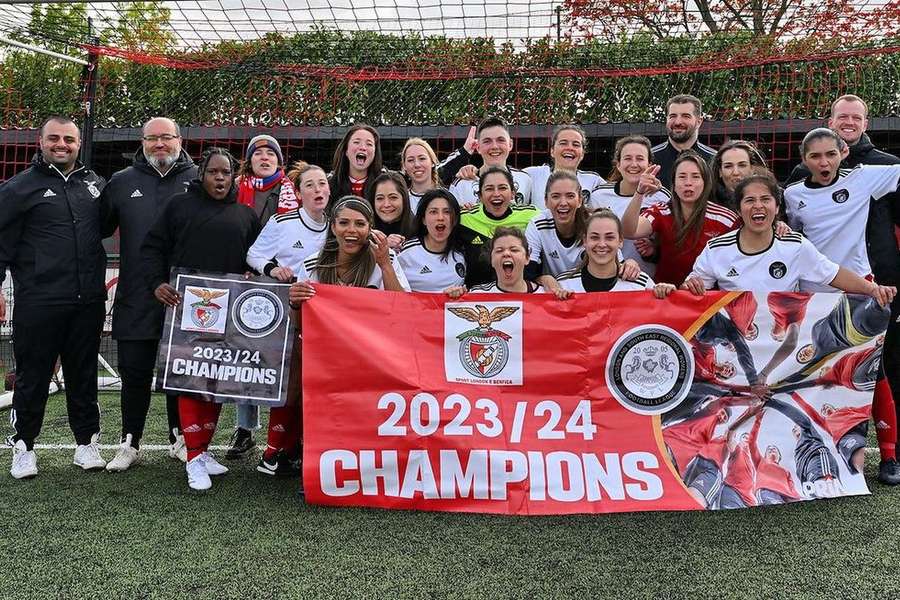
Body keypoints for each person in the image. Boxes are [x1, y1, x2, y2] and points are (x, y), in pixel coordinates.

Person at [141, 147, 261, 491]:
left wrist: (253, 277)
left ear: (234, 176)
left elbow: (256, 259)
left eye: (226, 173)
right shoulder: (178, 206)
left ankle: (204, 450)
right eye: (213, 172)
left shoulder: (246, 215)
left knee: (216, 379)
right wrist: (157, 283)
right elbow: (151, 248)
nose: (220, 178)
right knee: (191, 382)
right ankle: (193, 457)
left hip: (230, 314)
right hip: (187, 310)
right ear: (202, 175)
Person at [2, 116, 108, 480]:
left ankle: (85, 444)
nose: (61, 144)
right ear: (40, 141)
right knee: (33, 374)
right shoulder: (17, 188)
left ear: (78, 144)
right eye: (54, 139)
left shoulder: (95, 184)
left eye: (69, 139)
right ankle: (24, 447)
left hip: (88, 301)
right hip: (39, 301)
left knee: (83, 373)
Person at [788, 98, 900, 422]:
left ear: (865, 123)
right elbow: (794, 236)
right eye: (842, 116)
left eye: (856, 117)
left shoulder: (876, 170)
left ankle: (890, 454)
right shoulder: (795, 187)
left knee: (874, 367)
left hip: (871, 285)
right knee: (817, 367)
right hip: (815, 291)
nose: (823, 162)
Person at [100, 116, 196, 472]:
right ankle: (130, 442)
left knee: (180, 371)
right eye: (152, 138)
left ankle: (180, 439)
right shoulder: (121, 183)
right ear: (142, 142)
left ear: (179, 139)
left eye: (166, 138)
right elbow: (97, 228)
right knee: (134, 371)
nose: (160, 144)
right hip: (136, 294)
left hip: (185, 297)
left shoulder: (199, 180)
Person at [683, 172, 896, 301]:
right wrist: (682, 288)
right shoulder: (716, 249)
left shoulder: (795, 246)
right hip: (734, 344)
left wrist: (874, 289)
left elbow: (833, 274)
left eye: (766, 199)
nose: (758, 206)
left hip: (783, 343)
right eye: (749, 201)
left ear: (776, 208)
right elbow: (690, 289)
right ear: (738, 210)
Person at [227, 134, 301, 459]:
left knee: (284, 360)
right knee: (247, 357)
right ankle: (245, 429)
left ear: (279, 160)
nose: (265, 156)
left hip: (283, 282)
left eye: (271, 152)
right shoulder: (235, 189)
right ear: (249, 160)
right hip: (245, 280)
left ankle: (284, 432)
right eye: (258, 153)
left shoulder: (292, 190)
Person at [621, 152, 738, 286]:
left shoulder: (726, 220)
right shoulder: (660, 211)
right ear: (674, 184)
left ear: (705, 183)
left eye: (695, 177)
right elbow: (628, 231)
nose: (688, 183)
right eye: (682, 177)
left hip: (708, 300)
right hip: (666, 296)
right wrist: (639, 192)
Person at [590, 135, 672, 276]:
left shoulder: (662, 196)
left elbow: (669, 240)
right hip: (609, 280)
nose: (634, 164)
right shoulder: (599, 195)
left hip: (647, 283)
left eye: (640, 159)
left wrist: (654, 248)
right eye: (628, 158)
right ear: (618, 164)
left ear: (649, 165)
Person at [293, 196, 410, 291]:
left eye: (360, 224)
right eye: (343, 223)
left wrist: (385, 265)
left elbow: (402, 307)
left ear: (370, 229)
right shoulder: (313, 265)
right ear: (333, 227)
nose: (351, 230)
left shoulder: (386, 257)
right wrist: (295, 304)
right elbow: (299, 319)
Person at [555, 209, 673, 297]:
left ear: (620, 241)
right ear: (585, 241)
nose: (602, 244)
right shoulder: (564, 284)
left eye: (609, 237)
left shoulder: (641, 284)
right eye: (595, 237)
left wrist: (668, 293)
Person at [246, 161, 329, 281]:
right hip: (290, 292)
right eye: (309, 185)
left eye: (322, 183)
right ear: (298, 194)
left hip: (322, 295)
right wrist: (273, 269)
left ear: (329, 190)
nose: (317, 189)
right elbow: (253, 255)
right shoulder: (281, 223)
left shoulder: (336, 227)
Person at [458, 167, 538, 287]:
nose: (496, 194)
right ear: (480, 196)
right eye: (489, 189)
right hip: (476, 296)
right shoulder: (463, 218)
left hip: (520, 295)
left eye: (502, 188)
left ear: (513, 194)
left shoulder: (532, 215)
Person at [448, 116, 533, 206]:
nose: (494, 146)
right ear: (478, 147)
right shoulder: (461, 185)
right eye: (487, 141)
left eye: (500, 140)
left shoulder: (525, 179)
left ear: (510, 144)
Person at [397, 189, 468, 293]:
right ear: (423, 219)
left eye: (447, 212)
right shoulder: (405, 252)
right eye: (433, 212)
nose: (440, 218)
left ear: (455, 220)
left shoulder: (461, 252)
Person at [524, 124, 603, 209]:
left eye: (576, 144)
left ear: (582, 154)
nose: (570, 148)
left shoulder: (594, 181)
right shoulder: (531, 175)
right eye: (563, 143)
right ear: (552, 151)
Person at [652, 94, 716, 189]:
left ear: (699, 121)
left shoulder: (714, 160)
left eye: (686, 116)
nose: (678, 122)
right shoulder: (650, 159)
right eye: (672, 116)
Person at [400, 136, 473, 212]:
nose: (417, 165)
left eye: (422, 158)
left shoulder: (450, 198)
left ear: (432, 162)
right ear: (404, 166)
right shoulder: (401, 201)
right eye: (410, 160)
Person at [467, 227, 544, 294]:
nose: (506, 253)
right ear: (491, 260)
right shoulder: (476, 294)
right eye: (499, 250)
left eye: (514, 250)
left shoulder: (545, 294)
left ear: (527, 258)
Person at [328, 124, 383, 206]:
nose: (363, 147)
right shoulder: (328, 184)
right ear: (346, 150)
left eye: (369, 144)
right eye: (356, 142)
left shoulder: (384, 183)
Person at [709, 139, 767, 212]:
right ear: (720, 171)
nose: (736, 172)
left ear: (752, 169)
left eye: (742, 165)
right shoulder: (707, 205)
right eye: (728, 166)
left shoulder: (774, 199)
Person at [368, 171, 415, 250]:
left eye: (393, 197)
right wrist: (382, 246)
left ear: (404, 199)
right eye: (380, 198)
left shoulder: (420, 231)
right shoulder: (363, 233)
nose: (386, 204)